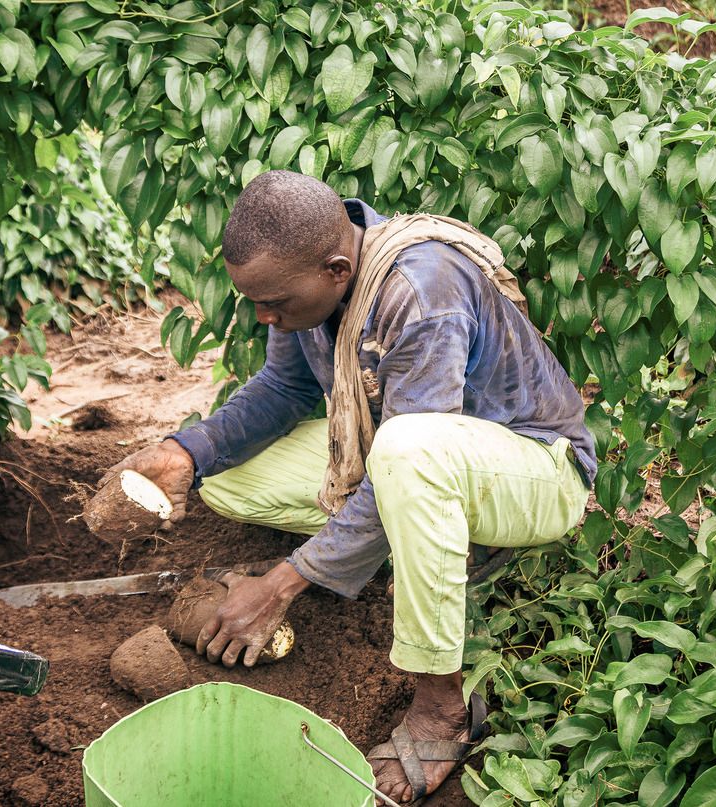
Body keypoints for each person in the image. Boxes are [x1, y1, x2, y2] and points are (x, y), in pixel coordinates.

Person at [100, 170, 595, 804]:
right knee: (227, 477)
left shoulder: (421, 291)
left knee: (406, 450)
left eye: (274, 302)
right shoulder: (315, 284)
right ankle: (409, 552)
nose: (263, 316)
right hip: (422, 463)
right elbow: (282, 391)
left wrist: (281, 585)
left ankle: (441, 702)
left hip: (536, 472)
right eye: (253, 301)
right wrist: (183, 453)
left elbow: (414, 452)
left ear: (337, 269)